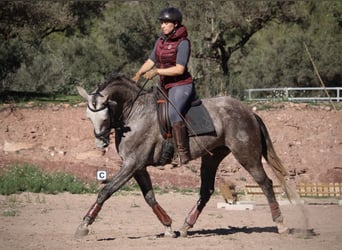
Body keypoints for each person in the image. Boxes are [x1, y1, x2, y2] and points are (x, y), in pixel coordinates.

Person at [132, 7, 196, 166]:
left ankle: (182, 153)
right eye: (161, 22)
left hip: (180, 85)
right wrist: (138, 74)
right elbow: (150, 61)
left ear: (175, 24)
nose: (162, 25)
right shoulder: (161, 41)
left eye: (166, 22)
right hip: (164, 85)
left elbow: (179, 69)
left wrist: (157, 72)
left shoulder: (183, 43)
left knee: (174, 114)